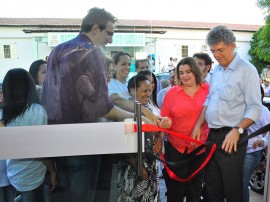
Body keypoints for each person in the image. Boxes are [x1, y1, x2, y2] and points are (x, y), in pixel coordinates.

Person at [192, 25, 262, 202]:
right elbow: (209, 100)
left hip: (233, 138)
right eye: (213, 51)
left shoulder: (248, 70)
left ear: (233, 45)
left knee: (233, 191)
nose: (216, 55)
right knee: (212, 190)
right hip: (212, 137)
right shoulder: (217, 71)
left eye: (220, 50)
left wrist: (237, 130)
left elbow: (255, 107)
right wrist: (198, 125)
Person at [1, 68, 57, 202]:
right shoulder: (36, 111)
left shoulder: (5, 112)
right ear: (30, 85)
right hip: (32, 174)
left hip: (13, 172)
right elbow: (41, 150)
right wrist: (53, 172)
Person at [161, 57, 209, 202]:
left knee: (195, 191)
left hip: (199, 149)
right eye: (181, 73)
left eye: (188, 71)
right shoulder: (171, 93)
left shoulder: (208, 89)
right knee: (175, 192)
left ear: (195, 71)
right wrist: (166, 122)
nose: (185, 76)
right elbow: (164, 118)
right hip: (176, 149)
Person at [117, 75, 163, 201]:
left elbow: (159, 128)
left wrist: (159, 139)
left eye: (149, 90)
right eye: (144, 91)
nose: (148, 94)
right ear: (132, 90)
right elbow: (121, 144)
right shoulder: (124, 112)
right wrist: (138, 166)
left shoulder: (149, 108)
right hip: (133, 167)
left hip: (151, 165)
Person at [243, 85, 270, 202]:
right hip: (239, 149)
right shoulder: (243, 108)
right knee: (237, 181)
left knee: (242, 181)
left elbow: (267, 133)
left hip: (253, 151)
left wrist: (262, 143)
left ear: (262, 95)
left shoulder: (264, 111)